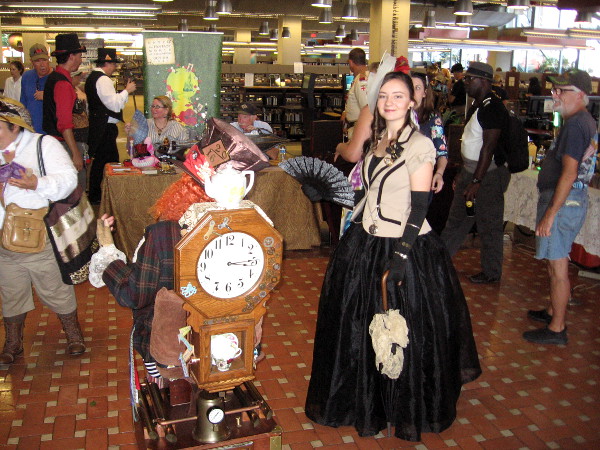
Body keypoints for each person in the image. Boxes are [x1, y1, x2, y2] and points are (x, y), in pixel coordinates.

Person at [305, 71, 481, 441]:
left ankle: (403, 405)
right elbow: (365, 194)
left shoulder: (420, 145)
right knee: (357, 327)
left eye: (398, 96)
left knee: (404, 329)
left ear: (412, 102)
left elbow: (419, 207)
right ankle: (365, 401)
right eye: (383, 95)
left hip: (406, 245)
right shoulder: (377, 140)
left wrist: (401, 256)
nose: (389, 102)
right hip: (366, 241)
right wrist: (325, 193)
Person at [0, 99, 86, 364]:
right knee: (10, 291)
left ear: (15, 126)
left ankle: (73, 333)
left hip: (39, 235)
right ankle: (13, 342)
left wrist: (37, 183)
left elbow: (68, 180)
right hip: (4, 240)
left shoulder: (43, 144)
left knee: (55, 287)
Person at [524, 70, 597, 345]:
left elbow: (569, 173)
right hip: (567, 200)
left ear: (580, 95)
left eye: (561, 91)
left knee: (558, 268)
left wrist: (550, 214)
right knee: (556, 261)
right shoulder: (579, 121)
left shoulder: (577, 125)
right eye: (554, 90)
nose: (555, 95)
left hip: (565, 202)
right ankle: (553, 311)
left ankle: (557, 328)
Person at [441, 62, 509, 284]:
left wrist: (477, 180)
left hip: (487, 176)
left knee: (488, 224)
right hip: (471, 172)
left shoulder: (493, 107)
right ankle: (438, 263)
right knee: (456, 220)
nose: (466, 83)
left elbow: (488, 148)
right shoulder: (477, 105)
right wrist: (463, 173)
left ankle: (491, 272)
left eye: (470, 79)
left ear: (484, 81)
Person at [85, 48, 136, 204]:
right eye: (114, 64)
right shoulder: (103, 80)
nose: (115, 67)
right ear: (107, 63)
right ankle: (102, 194)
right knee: (107, 162)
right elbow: (114, 105)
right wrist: (126, 91)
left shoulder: (93, 78)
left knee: (103, 161)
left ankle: (99, 193)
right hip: (104, 128)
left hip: (100, 125)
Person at [42, 33, 87, 190]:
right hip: (65, 144)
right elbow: (64, 124)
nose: (81, 60)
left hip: (58, 143)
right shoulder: (63, 85)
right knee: (74, 189)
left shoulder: (56, 78)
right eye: (80, 56)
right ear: (71, 57)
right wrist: (75, 153)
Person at [411, 72, 448, 193]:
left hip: (421, 179)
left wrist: (439, 173)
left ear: (425, 93)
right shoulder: (398, 116)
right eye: (410, 87)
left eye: (417, 88)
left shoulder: (432, 118)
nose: (413, 92)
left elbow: (442, 151)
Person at [125, 95, 189, 148]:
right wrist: (130, 134)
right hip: (147, 159)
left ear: (166, 110)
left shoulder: (178, 128)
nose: (153, 109)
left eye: (157, 107)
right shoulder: (144, 124)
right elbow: (132, 150)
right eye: (153, 106)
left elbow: (184, 151)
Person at [20, 43, 53, 134]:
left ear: (48, 59)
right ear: (32, 62)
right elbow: (23, 104)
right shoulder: (27, 76)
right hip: (31, 131)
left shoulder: (56, 78)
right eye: (37, 61)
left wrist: (47, 96)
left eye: (44, 60)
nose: (42, 64)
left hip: (51, 133)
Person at [340, 48, 369, 137]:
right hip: (356, 127)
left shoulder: (361, 81)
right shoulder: (362, 77)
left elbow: (366, 108)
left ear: (351, 62)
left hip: (358, 130)